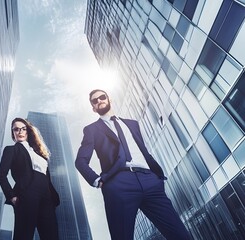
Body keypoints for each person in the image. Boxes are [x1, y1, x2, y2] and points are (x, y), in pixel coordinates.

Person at [75, 89, 192, 240]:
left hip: (150, 181)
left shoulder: (132, 124)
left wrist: (156, 175)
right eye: (95, 101)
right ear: (93, 108)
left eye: (102, 97)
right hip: (119, 184)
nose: (99, 101)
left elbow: (142, 150)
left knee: (180, 234)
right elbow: (80, 161)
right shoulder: (91, 129)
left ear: (109, 99)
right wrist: (97, 181)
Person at [0, 118, 60, 240]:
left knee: (52, 236)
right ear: (13, 133)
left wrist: (53, 197)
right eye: (16, 129)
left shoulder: (40, 154)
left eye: (23, 128)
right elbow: (1, 175)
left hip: (46, 196)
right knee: (24, 235)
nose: (20, 131)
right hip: (27, 193)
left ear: (28, 131)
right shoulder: (11, 150)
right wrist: (12, 197)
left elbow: (47, 179)